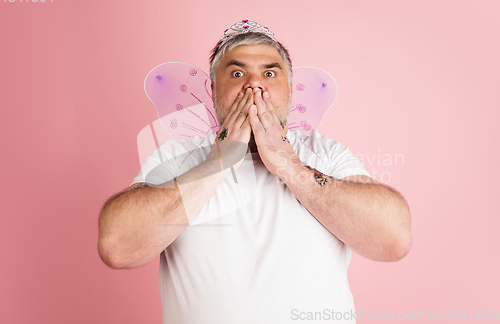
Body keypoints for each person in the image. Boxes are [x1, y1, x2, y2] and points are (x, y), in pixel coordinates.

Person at [98, 20, 412, 323]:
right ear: (212, 90)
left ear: (289, 90)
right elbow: (117, 247)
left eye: (269, 73)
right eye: (237, 73)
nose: (254, 84)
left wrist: (288, 164)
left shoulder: (326, 153)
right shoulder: (176, 156)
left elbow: (393, 240)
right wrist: (217, 163)